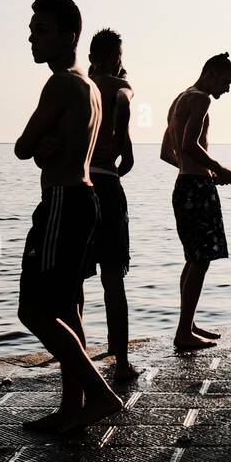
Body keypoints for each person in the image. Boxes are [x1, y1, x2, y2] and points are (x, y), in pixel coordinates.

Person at [15, 0, 124, 433]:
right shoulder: (91, 86)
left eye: (40, 30)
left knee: (34, 310)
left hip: (62, 202)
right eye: (32, 30)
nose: (31, 38)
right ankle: (72, 405)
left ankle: (99, 394)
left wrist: (37, 147)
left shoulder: (61, 83)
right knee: (68, 304)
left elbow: (23, 147)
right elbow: (51, 150)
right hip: (86, 198)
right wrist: (44, 148)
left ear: (69, 35)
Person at [161, 53, 231, 351]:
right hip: (196, 189)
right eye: (226, 81)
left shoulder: (180, 98)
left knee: (193, 258)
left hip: (185, 185)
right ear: (212, 73)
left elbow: (168, 153)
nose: (227, 89)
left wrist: (202, 172)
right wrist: (217, 169)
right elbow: (187, 145)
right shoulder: (202, 99)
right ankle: (183, 332)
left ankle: (187, 323)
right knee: (200, 259)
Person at [87, 28, 138, 382]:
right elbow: (129, 156)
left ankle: (76, 358)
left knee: (74, 278)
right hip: (106, 181)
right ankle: (121, 361)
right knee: (112, 279)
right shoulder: (120, 88)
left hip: (77, 183)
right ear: (112, 57)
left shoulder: (76, 85)